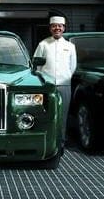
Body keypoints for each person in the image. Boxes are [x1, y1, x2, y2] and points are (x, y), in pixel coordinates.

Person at [33, 15, 77, 143]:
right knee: (46, 112)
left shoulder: (70, 46)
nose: (57, 28)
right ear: (50, 28)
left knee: (63, 113)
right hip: (47, 86)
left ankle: (61, 138)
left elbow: (72, 66)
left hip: (64, 84)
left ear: (63, 28)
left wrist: (65, 77)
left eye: (59, 26)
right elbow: (37, 65)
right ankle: (46, 139)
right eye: (54, 26)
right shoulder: (43, 44)